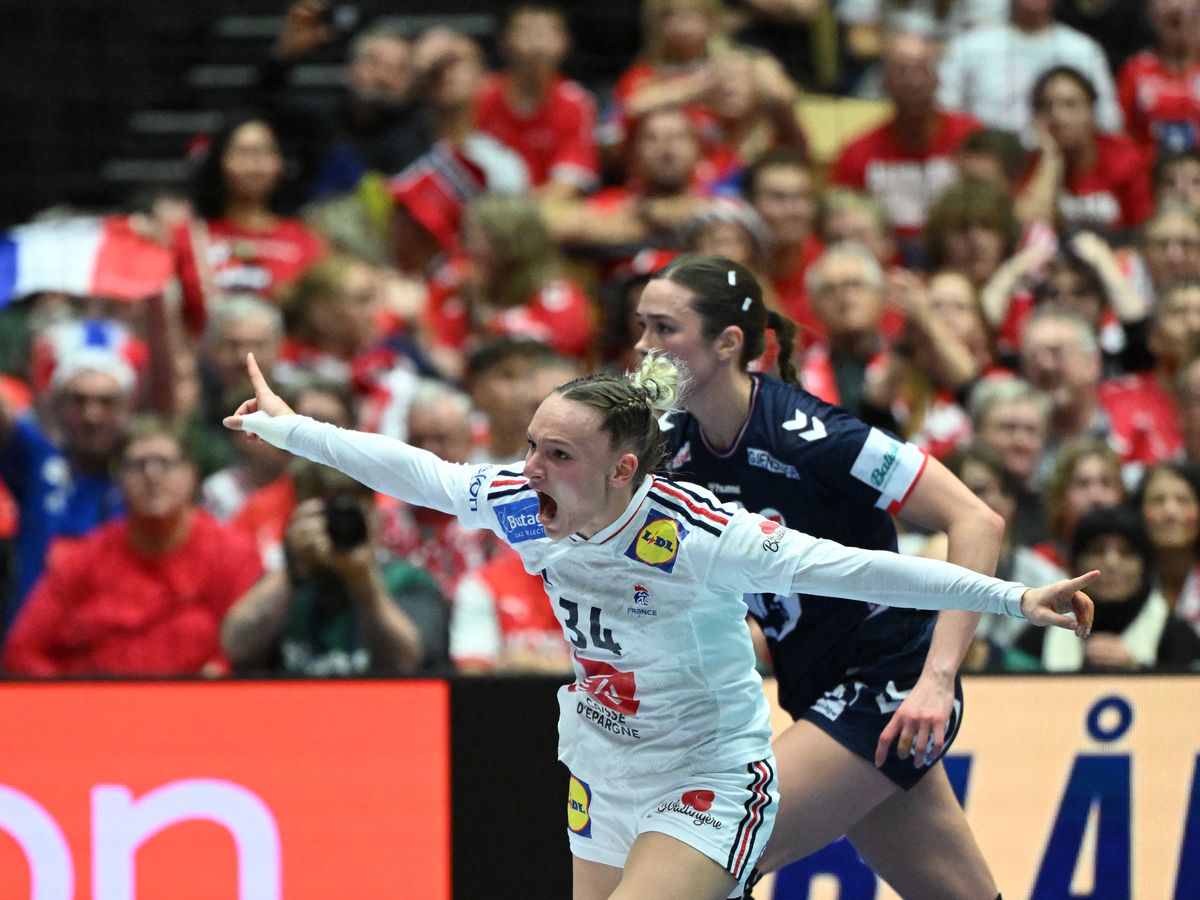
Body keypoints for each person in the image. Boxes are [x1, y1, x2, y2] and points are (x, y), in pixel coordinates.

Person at [226, 347, 1094, 900]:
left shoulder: (697, 537)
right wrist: (293, 428)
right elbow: (425, 475)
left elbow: (860, 566)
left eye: (557, 455)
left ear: (624, 471)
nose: (528, 469)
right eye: (530, 444)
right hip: (603, 768)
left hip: (708, 776)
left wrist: (1013, 599)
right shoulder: (526, 507)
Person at [630, 253, 1069, 896]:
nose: (644, 346)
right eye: (641, 326)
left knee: (700, 864)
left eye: (664, 329)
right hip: (814, 689)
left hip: (888, 685)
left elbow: (976, 521)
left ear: (727, 344)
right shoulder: (669, 445)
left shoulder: (813, 435)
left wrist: (937, 680)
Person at [3, 416, 263, 676]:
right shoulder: (83, 559)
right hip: (95, 707)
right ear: (118, 480)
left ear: (191, 473)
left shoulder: (233, 554)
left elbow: (243, 649)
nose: (152, 475)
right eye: (138, 465)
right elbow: (22, 650)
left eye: (165, 463)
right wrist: (70, 696)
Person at [220, 458, 448, 676]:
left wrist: (363, 581)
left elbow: (409, 664)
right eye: (328, 513)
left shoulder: (407, 580)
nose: (339, 523)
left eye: (350, 511)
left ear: (373, 514)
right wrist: (292, 571)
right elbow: (236, 648)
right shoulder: (287, 580)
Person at [0, 349, 133, 632]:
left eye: (106, 402)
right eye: (78, 401)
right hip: (31, 649)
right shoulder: (35, 461)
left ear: (127, 410)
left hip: (113, 648)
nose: (91, 415)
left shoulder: (145, 477)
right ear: (56, 408)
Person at [830, 31, 980, 251]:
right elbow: (839, 224)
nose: (913, 82)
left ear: (938, 79)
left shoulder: (972, 139)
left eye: (922, 70)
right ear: (885, 83)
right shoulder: (857, 153)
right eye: (901, 72)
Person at [1008, 505, 1200, 671]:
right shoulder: (1036, 637)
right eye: (1098, 550)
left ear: (1145, 565)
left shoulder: (1179, 638)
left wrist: (1140, 675)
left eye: (1126, 552)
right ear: (1075, 565)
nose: (1111, 563)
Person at [937, 0, 1122, 142]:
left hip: (1065, 170)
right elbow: (944, 118)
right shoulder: (968, 47)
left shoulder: (1084, 50)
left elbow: (1108, 124)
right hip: (988, 169)